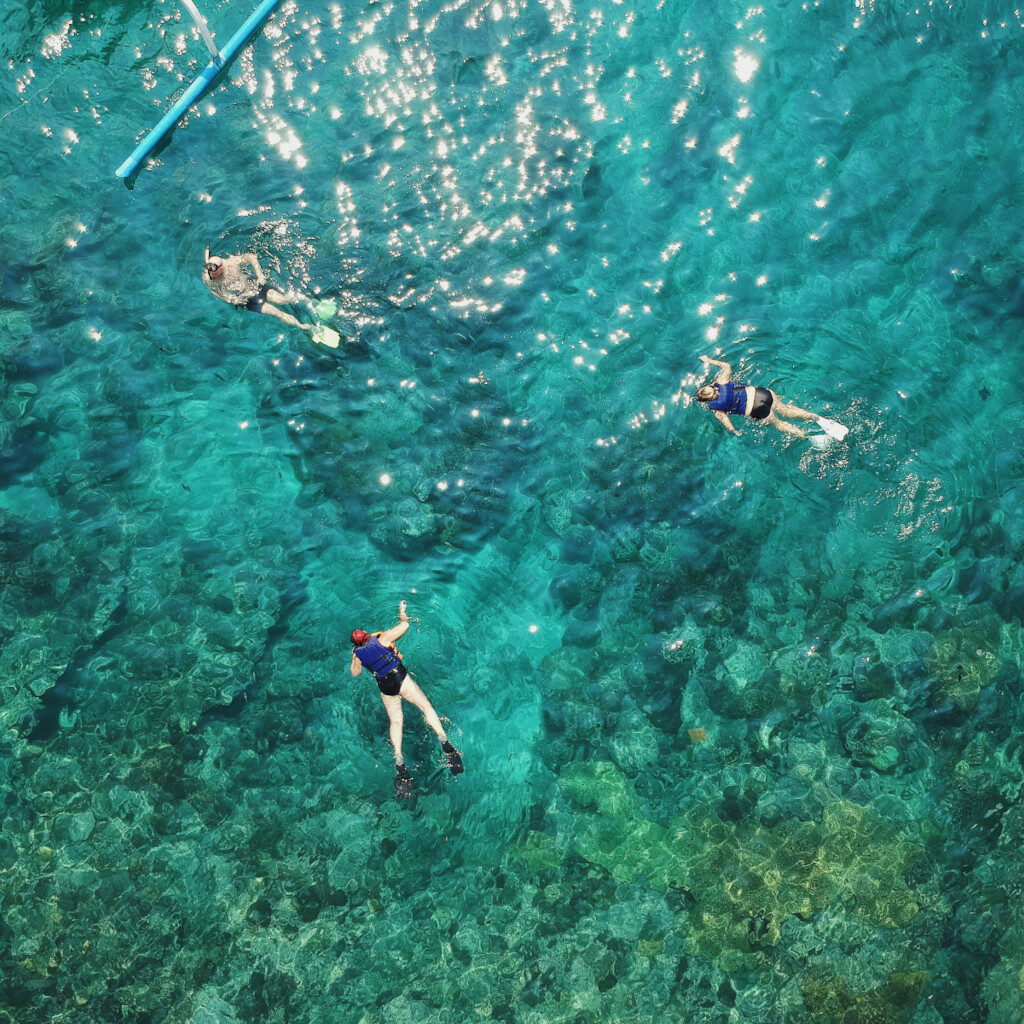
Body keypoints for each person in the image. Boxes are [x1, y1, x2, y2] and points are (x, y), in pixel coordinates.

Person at [350, 600, 463, 798]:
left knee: (396, 721)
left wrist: (354, 656)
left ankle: (400, 761)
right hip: (399, 677)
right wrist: (402, 612)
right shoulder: (383, 639)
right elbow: (405, 626)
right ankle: (444, 742)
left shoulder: (357, 654)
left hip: (385, 685)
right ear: (368, 635)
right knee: (426, 708)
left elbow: (355, 673)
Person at [695, 355, 836, 440]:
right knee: (786, 410)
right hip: (764, 394)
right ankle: (814, 417)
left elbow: (729, 425)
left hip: (758, 410)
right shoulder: (721, 382)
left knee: (779, 424)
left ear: (708, 400)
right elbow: (726, 366)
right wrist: (708, 360)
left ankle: (806, 436)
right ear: (711, 387)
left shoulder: (716, 409)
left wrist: (735, 433)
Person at [202, 248, 315, 334]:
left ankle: (311, 301)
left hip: (254, 285)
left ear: (221, 267)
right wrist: (230, 299)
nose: (211, 274)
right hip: (245, 300)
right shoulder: (209, 278)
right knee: (276, 313)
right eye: (209, 271)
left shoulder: (231, 263)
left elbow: (252, 257)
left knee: (283, 300)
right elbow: (213, 291)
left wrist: (259, 274)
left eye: (214, 271)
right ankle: (302, 326)